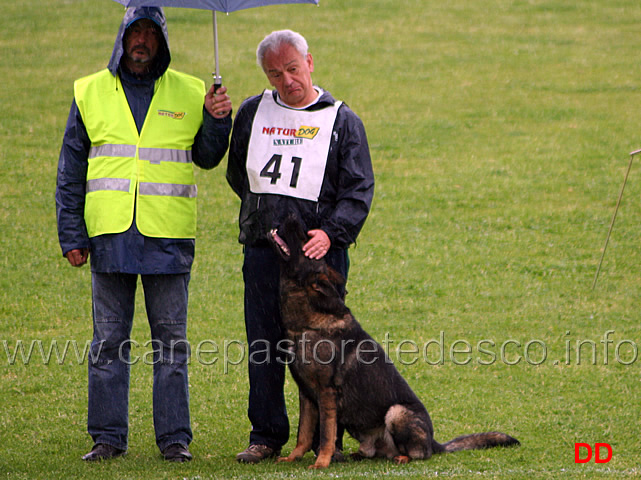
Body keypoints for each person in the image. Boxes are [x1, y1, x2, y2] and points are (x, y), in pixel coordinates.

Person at [55, 6, 232, 463]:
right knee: (108, 343)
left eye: (151, 32)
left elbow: (208, 157)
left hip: (168, 240)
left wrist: (216, 119)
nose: (142, 40)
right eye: (135, 30)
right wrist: (71, 234)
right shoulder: (89, 91)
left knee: (171, 345)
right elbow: (70, 169)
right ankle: (108, 439)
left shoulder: (192, 90)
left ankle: (175, 440)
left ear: (163, 41)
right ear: (121, 37)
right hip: (109, 237)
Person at [226, 29, 374, 464]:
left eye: (292, 68)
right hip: (264, 253)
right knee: (264, 344)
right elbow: (240, 174)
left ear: (309, 63)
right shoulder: (253, 113)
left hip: (319, 258)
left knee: (328, 350)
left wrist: (330, 232)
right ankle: (266, 435)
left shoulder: (341, 120)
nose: (286, 80)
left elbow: (358, 189)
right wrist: (264, 218)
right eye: (275, 73)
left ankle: (335, 439)